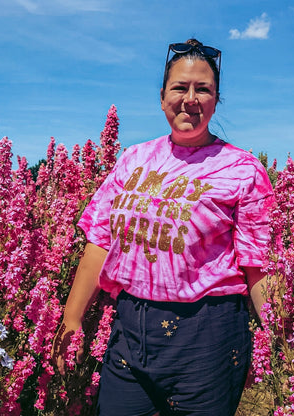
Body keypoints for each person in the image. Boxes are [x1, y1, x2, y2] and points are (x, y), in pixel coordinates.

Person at [52, 38, 274, 416]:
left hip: (208, 335)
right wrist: (71, 319)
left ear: (216, 99)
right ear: (162, 97)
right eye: (180, 87)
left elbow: (257, 266)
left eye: (203, 89)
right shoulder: (132, 159)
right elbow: (100, 243)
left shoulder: (243, 169)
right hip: (130, 328)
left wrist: (285, 341)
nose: (191, 98)